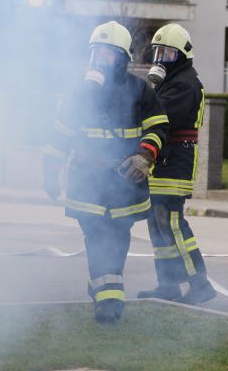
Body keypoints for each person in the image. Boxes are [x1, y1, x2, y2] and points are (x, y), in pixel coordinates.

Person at [43, 21, 169, 323]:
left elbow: (158, 128)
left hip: (125, 181)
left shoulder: (139, 90)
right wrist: (50, 173)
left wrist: (144, 156)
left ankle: (104, 287)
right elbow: (59, 137)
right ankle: (109, 300)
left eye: (107, 53)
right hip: (88, 182)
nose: (99, 59)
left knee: (118, 237)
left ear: (123, 58)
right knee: (97, 237)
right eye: (95, 53)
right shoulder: (79, 93)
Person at [137, 23, 216, 304]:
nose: (161, 60)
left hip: (176, 161)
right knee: (156, 223)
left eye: (168, 54)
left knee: (171, 222)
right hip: (163, 160)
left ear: (182, 55)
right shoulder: (170, 82)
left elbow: (159, 118)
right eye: (158, 53)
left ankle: (200, 284)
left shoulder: (185, 84)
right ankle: (168, 284)